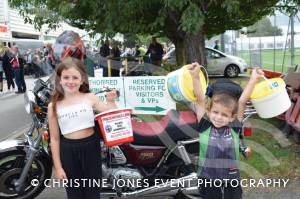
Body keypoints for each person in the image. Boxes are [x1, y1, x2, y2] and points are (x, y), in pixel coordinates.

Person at [189, 63, 264, 199]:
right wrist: (195, 77)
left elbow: (242, 101)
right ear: (209, 111)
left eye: (224, 115)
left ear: (232, 118)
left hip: (231, 177)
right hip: (208, 178)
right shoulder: (205, 125)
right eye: (215, 112)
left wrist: (253, 79)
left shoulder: (234, 128)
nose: (218, 117)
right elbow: (200, 100)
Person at [48, 57, 118, 199]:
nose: (71, 81)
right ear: (60, 80)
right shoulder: (53, 106)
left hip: (91, 148)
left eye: (75, 77)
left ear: (82, 80)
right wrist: (58, 167)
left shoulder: (90, 97)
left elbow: (111, 115)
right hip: (68, 151)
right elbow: (54, 139)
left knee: (93, 189)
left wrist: (111, 101)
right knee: (74, 192)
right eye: (66, 77)